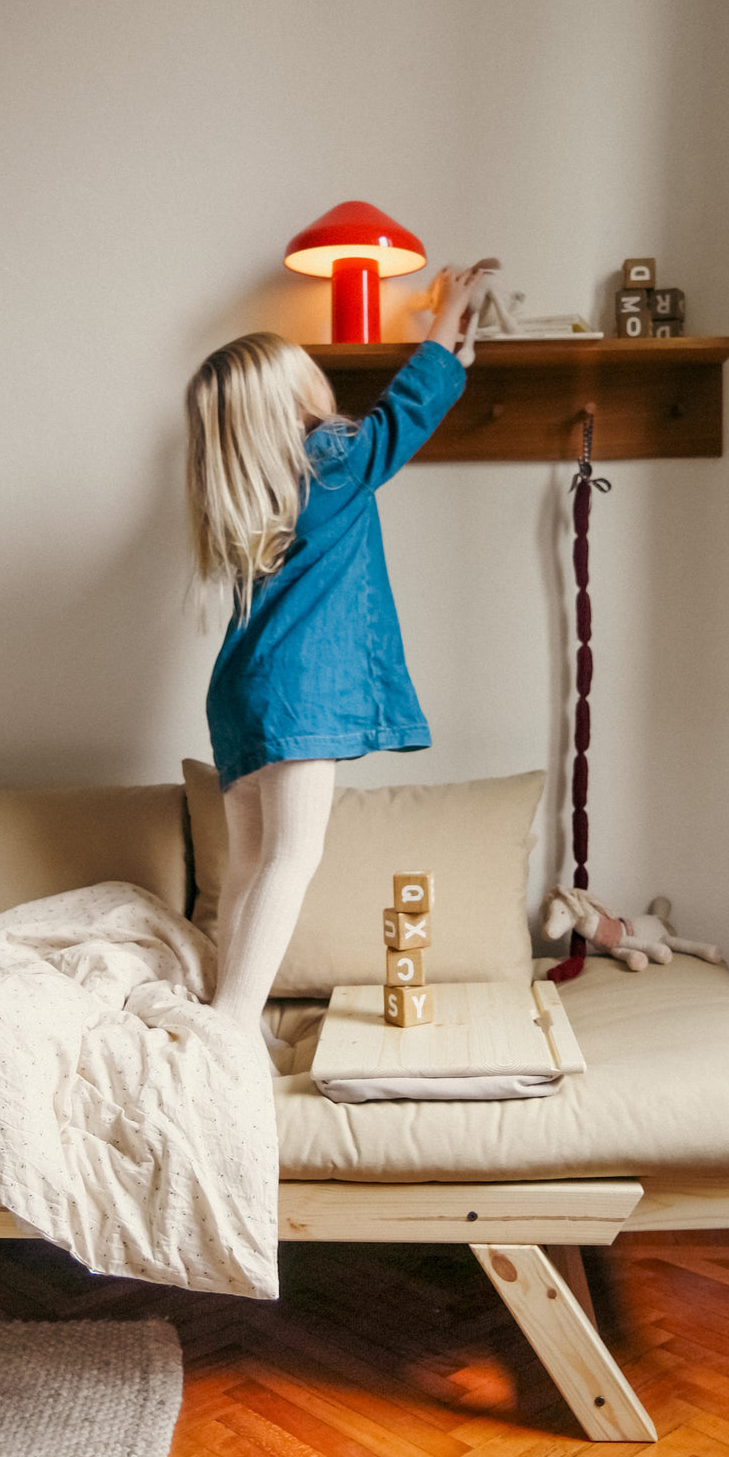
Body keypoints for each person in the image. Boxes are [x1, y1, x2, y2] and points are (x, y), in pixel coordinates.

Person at [184, 265, 484, 1045]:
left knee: (250, 863)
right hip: (299, 692)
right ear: (291, 403)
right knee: (292, 857)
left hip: (243, 692)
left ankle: (231, 1017)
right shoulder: (328, 462)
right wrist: (448, 318)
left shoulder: (250, 494)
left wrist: (453, 349)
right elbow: (405, 413)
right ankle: (230, 1030)